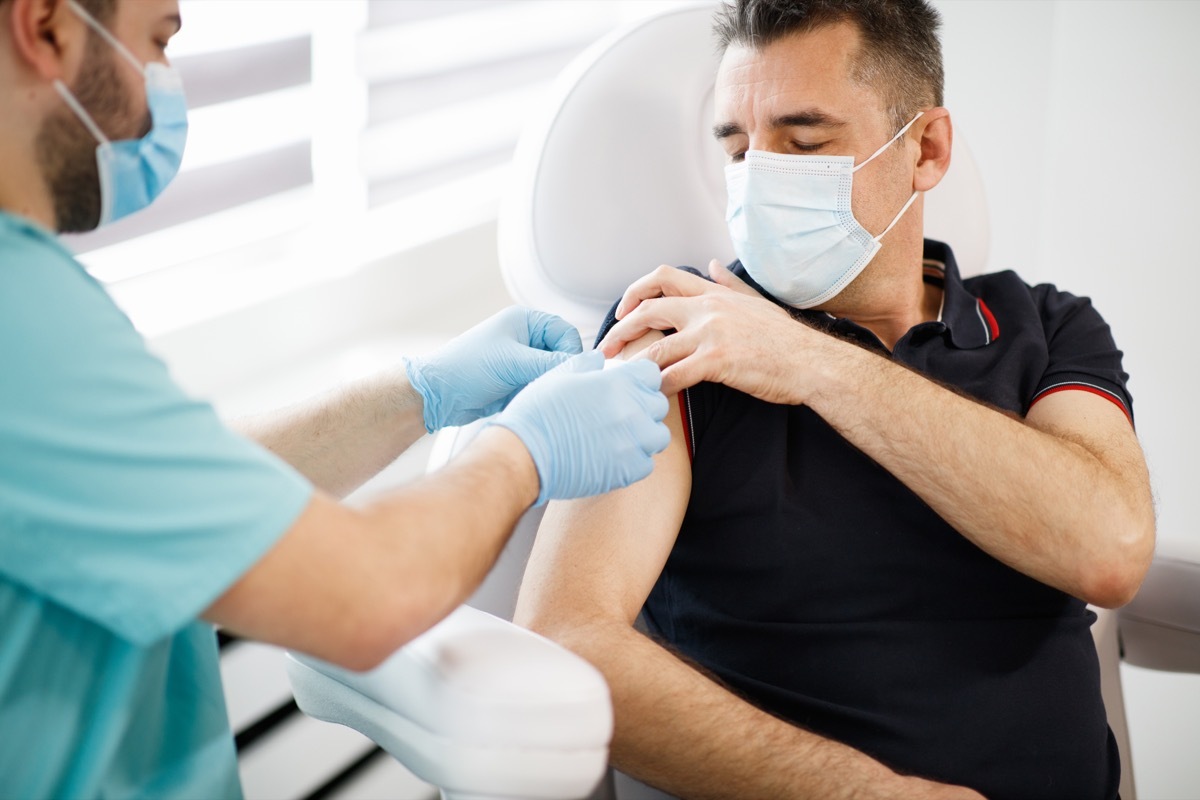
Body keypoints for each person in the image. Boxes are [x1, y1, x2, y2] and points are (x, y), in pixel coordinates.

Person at [0, 0, 672, 796]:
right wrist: (524, 451)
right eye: (158, 43)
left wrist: (413, 393)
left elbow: (154, 485)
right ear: (45, 28)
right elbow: (368, 594)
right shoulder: (25, 318)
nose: (162, 93)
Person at [513, 1, 1156, 798]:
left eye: (804, 142)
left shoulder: (1045, 328)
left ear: (926, 148)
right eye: (738, 148)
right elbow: (566, 634)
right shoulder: (673, 332)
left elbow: (1109, 550)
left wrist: (813, 362)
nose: (758, 179)